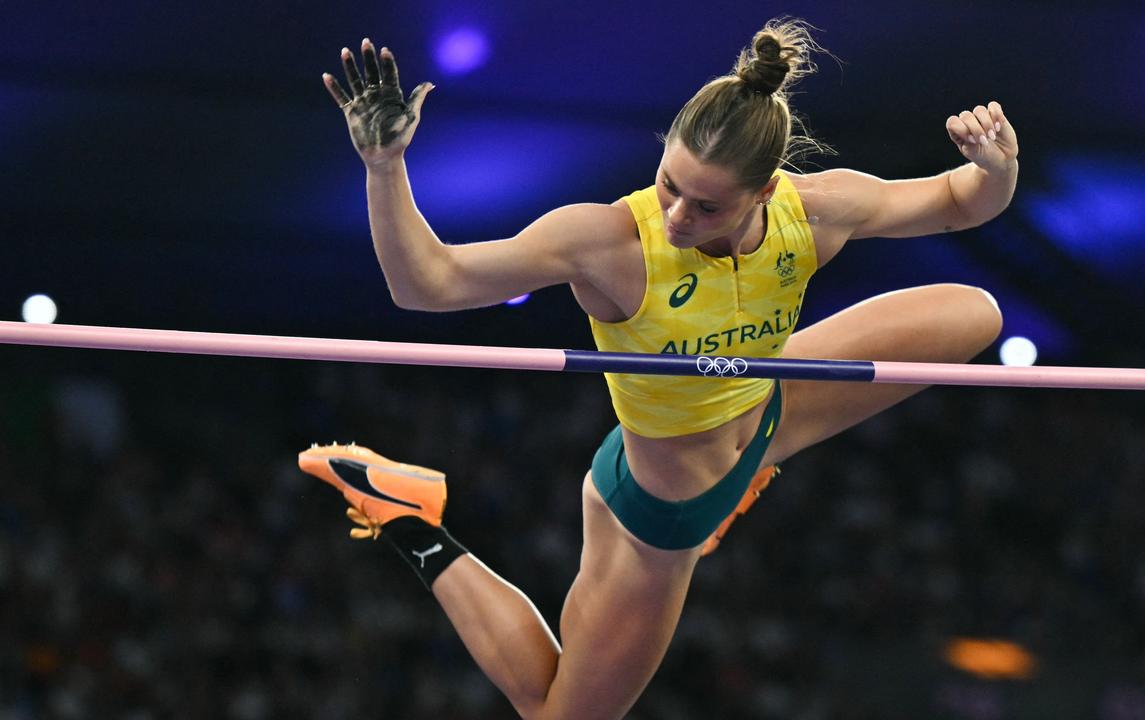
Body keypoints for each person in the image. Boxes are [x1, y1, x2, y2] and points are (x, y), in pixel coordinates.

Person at [302, 18, 1015, 719]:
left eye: (707, 207)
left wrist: (996, 168)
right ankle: (410, 518)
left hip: (768, 410)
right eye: (669, 184)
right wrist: (384, 168)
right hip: (664, 509)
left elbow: (959, 201)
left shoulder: (815, 211)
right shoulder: (609, 242)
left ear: (765, 192)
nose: (676, 215)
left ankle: (751, 459)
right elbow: (426, 284)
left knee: (978, 316)